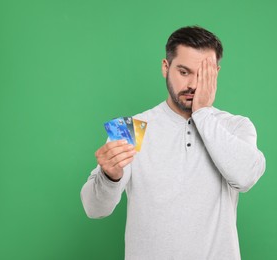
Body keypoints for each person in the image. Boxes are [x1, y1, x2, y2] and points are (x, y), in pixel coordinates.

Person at [81, 25, 266, 260]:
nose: (192, 84)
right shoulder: (130, 128)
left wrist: (202, 113)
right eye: (184, 72)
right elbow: (94, 209)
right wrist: (109, 177)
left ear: (215, 73)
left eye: (202, 74)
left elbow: (245, 177)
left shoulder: (235, 126)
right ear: (165, 67)